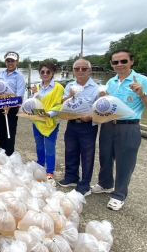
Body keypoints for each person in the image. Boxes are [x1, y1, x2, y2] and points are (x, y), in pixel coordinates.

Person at [91, 49, 147, 211]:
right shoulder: (111, 82)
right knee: (105, 157)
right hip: (108, 125)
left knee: (125, 162)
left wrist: (142, 94)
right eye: (115, 62)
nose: (119, 65)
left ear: (131, 61)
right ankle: (105, 183)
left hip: (128, 126)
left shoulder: (142, 81)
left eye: (123, 61)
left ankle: (119, 194)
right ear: (111, 64)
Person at [58, 59, 99, 197]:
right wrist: (70, 95)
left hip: (88, 126)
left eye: (84, 68)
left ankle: (85, 184)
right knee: (70, 151)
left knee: (87, 155)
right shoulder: (69, 85)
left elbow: (102, 108)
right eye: (77, 69)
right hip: (72, 123)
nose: (80, 71)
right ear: (73, 71)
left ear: (90, 70)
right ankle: (71, 177)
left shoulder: (97, 88)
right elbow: (63, 104)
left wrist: (92, 117)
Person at [30, 61, 64, 186]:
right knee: (39, 145)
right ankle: (40, 166)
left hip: (50, 121)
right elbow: (32, 103)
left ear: (53, 73)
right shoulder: (37, 87)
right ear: (39, 73)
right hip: (37, 121)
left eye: (48, 71)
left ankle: (49, 173)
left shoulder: (58, 87)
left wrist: (49, 114)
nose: (45, 74)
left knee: (49, 147)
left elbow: (59, 104)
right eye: (42, 72)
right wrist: (33, 94)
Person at [0, 51, 26, 156]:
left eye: (12, 61)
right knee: (0, 132)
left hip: (12, 109)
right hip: (0, 107)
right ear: (5, 62)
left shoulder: (19, 76)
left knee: (10, 134)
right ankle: (0, 156)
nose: (10, 63)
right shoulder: (0, 74)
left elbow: (19, 96)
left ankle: (9, 157)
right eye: (8, 61)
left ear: (17, 62)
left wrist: (9, 106)